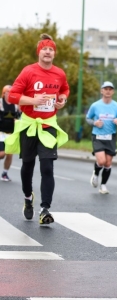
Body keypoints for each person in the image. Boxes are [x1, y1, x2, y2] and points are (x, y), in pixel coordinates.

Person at [5, 33, 69, 225]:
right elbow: (13, 96)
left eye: (51, 49)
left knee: (47, 166)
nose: (48, 52)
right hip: (29, 125)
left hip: (48, 124)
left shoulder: (59, 73)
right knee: (27, 166)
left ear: (54, 54)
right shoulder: (28, 72)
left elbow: (65, 89)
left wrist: (62, 99)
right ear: (39, 52)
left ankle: (45, 209)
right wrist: (33, 100)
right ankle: (27, 198)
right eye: (44, 49)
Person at [86, 81, 117, 194]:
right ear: (101, 91)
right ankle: (96, 174)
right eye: (105, 89)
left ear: (113, 92)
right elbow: (88, 118)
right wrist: (95, 123)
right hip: (97, 136)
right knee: (102, 161)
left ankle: (103, 185)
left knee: (108, 163)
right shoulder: (95, 105)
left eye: (110, 89)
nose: (108, 91)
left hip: (111, 137)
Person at [0, 85, 21, 181]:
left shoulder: (16, 105)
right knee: (2, 154)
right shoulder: (0, 103)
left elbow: (19, 117)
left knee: (9, 154)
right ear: (4, 93)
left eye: (11, 92)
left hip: (11, 133)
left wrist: (17, 120)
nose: (9, 94)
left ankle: (5, 173)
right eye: (7, 92)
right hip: (1, 132)